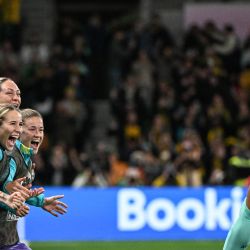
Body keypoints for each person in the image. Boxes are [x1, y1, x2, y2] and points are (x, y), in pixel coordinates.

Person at [1, 108, 68, 249]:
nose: (38, 134)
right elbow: (6, 187)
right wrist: (10, 198)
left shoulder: (27, 160)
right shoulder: (11, 155)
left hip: (8, 239)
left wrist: (40, 201)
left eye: (41, 130)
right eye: (32, 129)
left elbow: (15, 191)